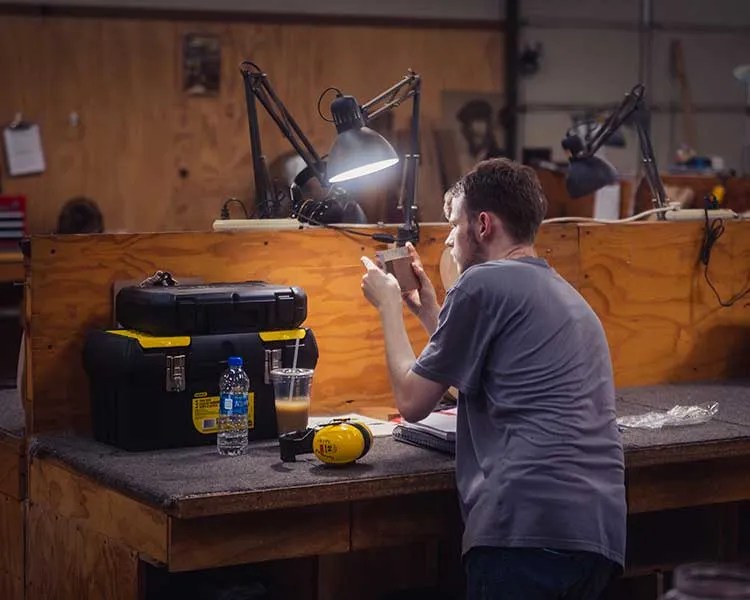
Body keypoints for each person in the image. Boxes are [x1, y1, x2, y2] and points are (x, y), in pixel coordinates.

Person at [360, 158, 626, 599]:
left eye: (453, 223)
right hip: (595, 534)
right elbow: (481, 370)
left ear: (482, 224)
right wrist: (430, 311)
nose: (447, 238)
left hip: (525, 533)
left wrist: (388, 305)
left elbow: (411, 401)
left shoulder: (482, 282)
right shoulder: (558, 289)